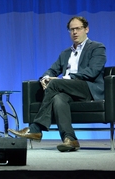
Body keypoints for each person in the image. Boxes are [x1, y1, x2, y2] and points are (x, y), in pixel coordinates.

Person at [8, 16, 107, 152]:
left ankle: (36, 129)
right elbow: (53, 69)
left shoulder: (97, 47)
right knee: (58, 98)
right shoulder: (66, 53)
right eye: (71, 30)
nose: (75, 32)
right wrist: (46, 77)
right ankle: (70, 139)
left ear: (86, 29)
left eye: (78, 28)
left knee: (55, 85)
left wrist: (65, 78)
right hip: (69, 90)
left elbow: (92, 71)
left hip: (88, 88)